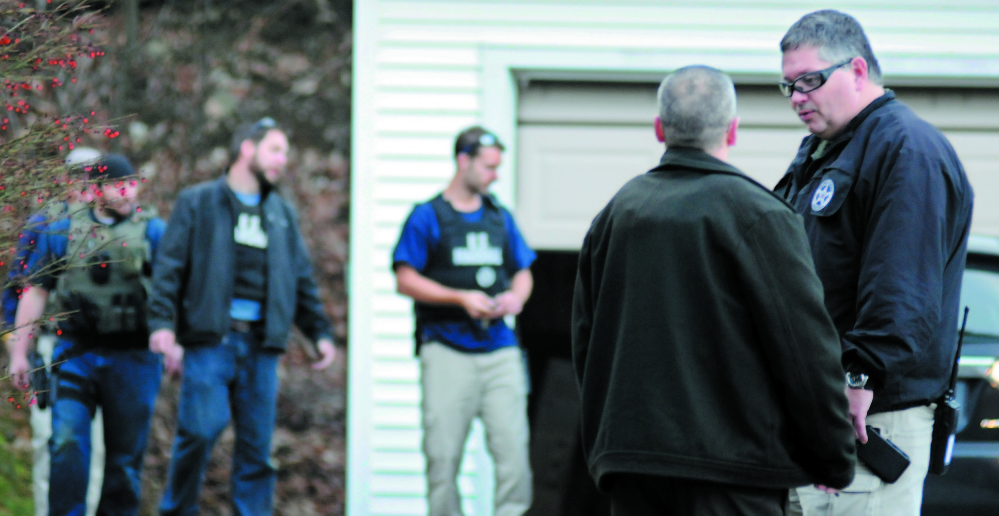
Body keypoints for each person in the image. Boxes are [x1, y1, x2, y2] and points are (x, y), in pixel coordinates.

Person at [571, 66, 858, 516]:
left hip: (634, 473)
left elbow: (587, 345)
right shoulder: (759, 215)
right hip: (734, 477)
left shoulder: (617, 214)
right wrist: (833, 457)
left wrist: (607, 451)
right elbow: (804, 351)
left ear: (660, 129)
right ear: (733, 129)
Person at [775, 11, 974, 515]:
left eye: (810, 80)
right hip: (821, 418)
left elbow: (902, 285)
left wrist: (859, 377)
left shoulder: (907, 149)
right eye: (789, 86)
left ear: (858, 70)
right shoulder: (827, 151)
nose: (798, 96)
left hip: (869, 417)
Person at [148, 117, 337, 515]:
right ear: (247, 149)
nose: (282, 161)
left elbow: (300, 278)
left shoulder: (281, 214)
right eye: (275, 150)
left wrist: (319, 331)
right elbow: (169, 269)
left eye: (285, 153)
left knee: (257, 452)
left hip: (262, 346)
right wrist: (163, 324)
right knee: (199, 432)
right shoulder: (198, 202)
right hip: (210, 341)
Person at [6, 154, 166, 516]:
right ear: (96, 191)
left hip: (134, 358)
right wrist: (19, 352)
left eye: (132, 183)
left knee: (124, 461)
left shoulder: (153, 231)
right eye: (117, 185)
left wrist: (175, 341)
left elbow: (175, 291)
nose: (127, 192)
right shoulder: (63, 230)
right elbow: (35, 291)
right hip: (75, 354)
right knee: (66, 443)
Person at [392, 126, 534, 516]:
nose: (495, 175)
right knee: (442, 458)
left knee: (513, 453)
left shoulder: (499, 218)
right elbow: (405, 278)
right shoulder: (427, 216)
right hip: (445, 349)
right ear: (463, 161)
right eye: (488, 167)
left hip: (499, 349)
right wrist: (459, 298)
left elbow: (523, 270)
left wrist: (515, 298)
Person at [2, 147, 107, 516]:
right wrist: (17, 345)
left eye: (92, 175)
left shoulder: (114, 226)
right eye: (77, 175)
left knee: (97, 446)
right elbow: (17, 287)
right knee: (54, 440)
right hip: (49, 348)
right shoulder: (43, 223)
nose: (84, 183)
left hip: (101, 351)